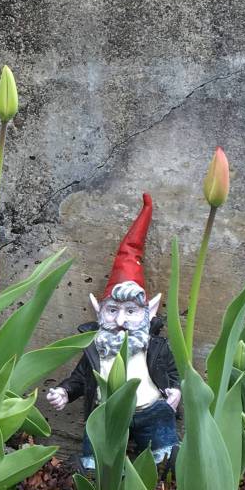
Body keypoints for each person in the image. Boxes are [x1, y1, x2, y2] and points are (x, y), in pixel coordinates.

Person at [45, 193, 181, 472]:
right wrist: (63, 392)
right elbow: (81, 379)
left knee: (165, 461)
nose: (121, 320)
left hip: (152, 412)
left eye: (131, 311)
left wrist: (176, 393)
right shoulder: (95, 347)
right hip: (105, 415)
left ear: (149, 311)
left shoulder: (156, 347)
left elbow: (173, 374)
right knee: (95, 467)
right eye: (112, 310)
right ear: (98, 310)